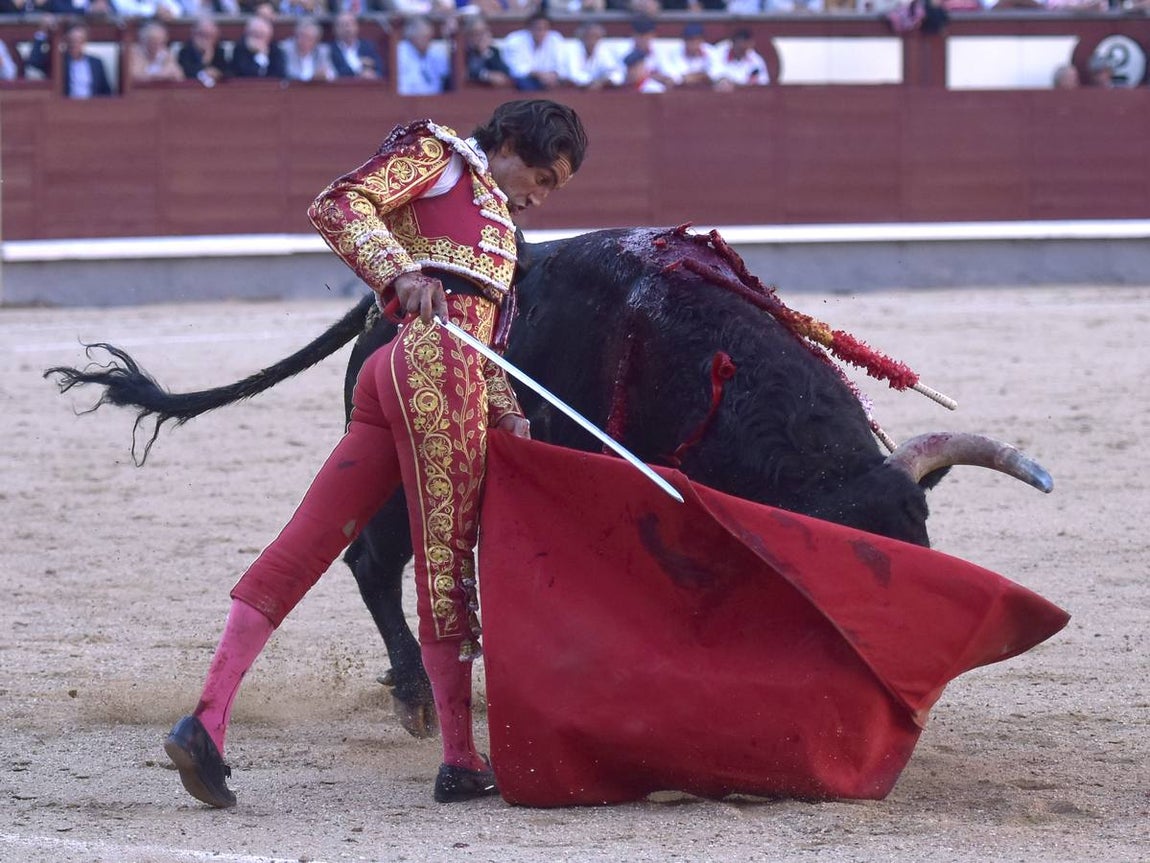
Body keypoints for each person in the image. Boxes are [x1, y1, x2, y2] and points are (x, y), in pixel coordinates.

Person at [163, 99, 588, 808]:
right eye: (539, 176)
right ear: (508, 141)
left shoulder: (501, 231)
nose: (537, 196)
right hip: (425, 369)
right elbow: (339, 203)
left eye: (552, 190)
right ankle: (459, 757)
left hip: (403, 372)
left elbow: (486, 343)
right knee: (445, 557)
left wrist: (509, 414)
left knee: (305, 542)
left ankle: (206, 719)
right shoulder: (441, 156)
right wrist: (398, 273)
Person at [28, 22, 113, 97]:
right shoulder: (58, 62)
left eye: (79, 40)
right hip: (64, 110)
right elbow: (34, 61)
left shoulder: (96, 63)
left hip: (91, 110)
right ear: (66, 41)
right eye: (72, 40)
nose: (75, 44)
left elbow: (106, 91)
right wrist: (41, 33)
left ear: (85, 41)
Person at [500, 11, 566, 91]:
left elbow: (560, 65)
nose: (541, 32)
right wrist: (538, 75)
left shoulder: (555, 39)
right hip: (524, 81)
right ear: (529, 28)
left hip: (548, 80)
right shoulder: (515, 40)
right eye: (538, 28)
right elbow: (516, 69)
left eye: (545, 28)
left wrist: (553, 75)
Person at [396, 15, 450, 95]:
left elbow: (448, 73)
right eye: (424, 37)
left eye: (430, 37)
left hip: (436, 102)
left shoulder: (434, 53)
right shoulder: (400, 53)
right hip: (408, 102)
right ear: (412, 36)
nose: (428, 42)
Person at [558, 21, 620, 90]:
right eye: (590, 36)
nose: (593, 41)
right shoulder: (572, 48)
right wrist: (596, 82)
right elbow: (574, 76)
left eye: (597, 37)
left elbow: (616, 74)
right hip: (569, 90)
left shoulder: (602, 49)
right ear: (582, 37)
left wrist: (604, 81)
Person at [328, 11, 384, 80]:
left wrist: (373, 74)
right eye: (343, 25)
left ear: (357, 27)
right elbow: (336, 73)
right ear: (335, 29)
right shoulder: (329, 50)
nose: (348, 29)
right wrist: (359, 67)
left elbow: (379, 68)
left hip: (366, 88)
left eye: (351, 24)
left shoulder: (367, 46)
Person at [463, 16, 515, 89]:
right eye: (477, 33)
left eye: (484, 32)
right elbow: (470, 71)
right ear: (469, 35)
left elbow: (505, 71)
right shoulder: (464, 52)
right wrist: (487, 75)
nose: (481, 37)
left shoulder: (493, 51)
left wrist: (485, 52)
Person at [229, 14, 286, 79]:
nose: (258, 37)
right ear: (247, 34)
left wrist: (262, 54)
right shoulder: (240, 49)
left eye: (262, 34)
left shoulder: (275, 50)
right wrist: (259, 54)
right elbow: (247, 75)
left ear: (269, 35)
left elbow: (279, 74)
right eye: (254, 33)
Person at [177, 16, 229, 86]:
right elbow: (186, 74)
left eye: (211, 36)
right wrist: (204, 63)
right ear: (194, 35)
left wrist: (218, 73)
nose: (207, 40)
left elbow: (229, 72)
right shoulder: (185, 51)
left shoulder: (219, 50)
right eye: (203, 35)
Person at [280, 16, 336, 82]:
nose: (304, 41)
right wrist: (312, 77)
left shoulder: (322, 51)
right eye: (302, 36)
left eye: (310, 38)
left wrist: (325, 75)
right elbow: (289, 74)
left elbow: (332, 73)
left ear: (317, 41)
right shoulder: (285, 49)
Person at [663, 22, 715, 88]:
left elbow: (715, 74)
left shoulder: (710, 51)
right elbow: (675, 77)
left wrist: (695, 77)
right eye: (690, 40)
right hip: (681, 90)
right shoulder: (674, 52)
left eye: (697, 40)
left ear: (702, 40)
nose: (694, 44)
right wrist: (701, 76)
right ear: (684, 41)